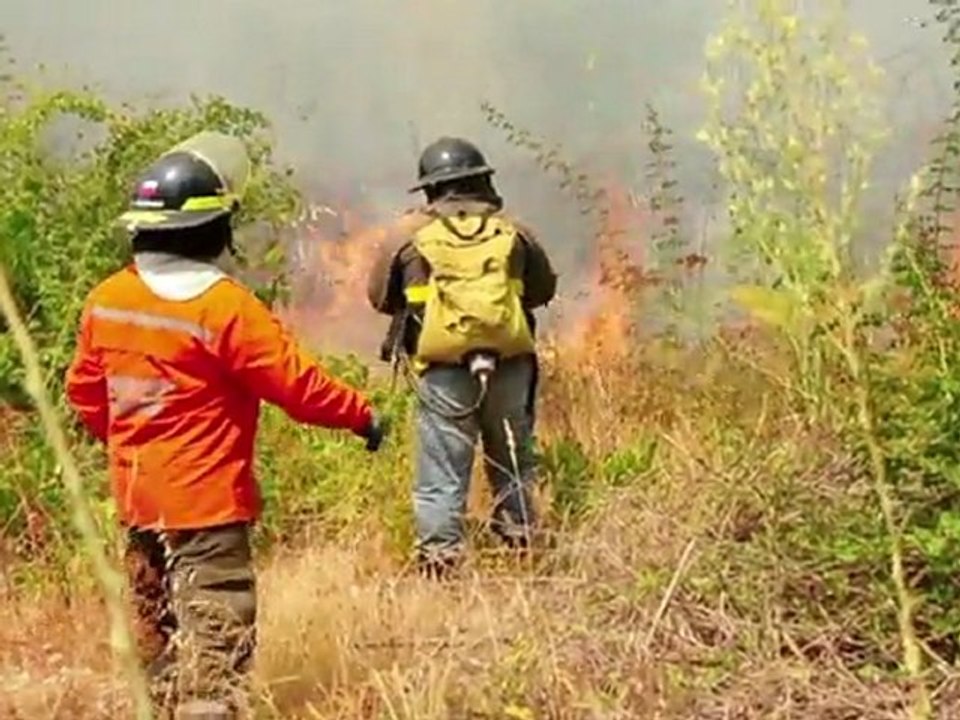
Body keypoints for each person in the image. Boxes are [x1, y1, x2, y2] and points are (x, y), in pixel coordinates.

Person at [64, 131, 385, 719]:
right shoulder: (224, 307)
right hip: (206, 509)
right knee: (215, 651)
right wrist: (362, 416)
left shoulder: (107, 298)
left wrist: (132, 444)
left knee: (157, 642)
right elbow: (298, 386)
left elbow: (84, 392)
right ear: (214, 231)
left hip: (138, 502)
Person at [367, 136, 557, 578]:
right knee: (513, 461)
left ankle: (441, 562)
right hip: (510, 365)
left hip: (443, 371)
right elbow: (545, 290)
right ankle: (523, 547)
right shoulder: (514, 231)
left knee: (441, 473)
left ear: (431, 188)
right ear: (482, 179)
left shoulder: (408, 235)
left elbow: (379, 297)